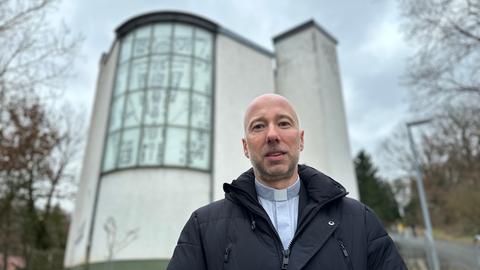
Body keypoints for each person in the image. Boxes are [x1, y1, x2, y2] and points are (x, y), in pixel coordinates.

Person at [167, 94, 407, 270]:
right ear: (245, 147)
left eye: (283, 123)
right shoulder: (203, 227)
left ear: (300, 140)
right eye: (259, 126)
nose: (272, 135)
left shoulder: (360, 220)